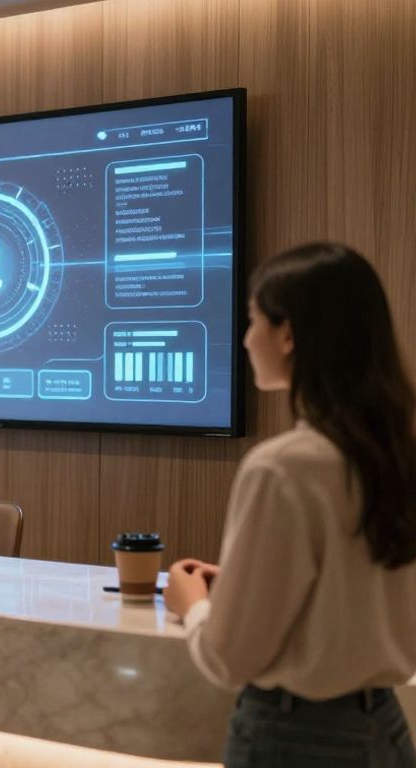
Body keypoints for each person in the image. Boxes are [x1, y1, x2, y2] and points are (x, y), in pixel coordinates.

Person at [164, 243, 416, 767]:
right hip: (387, 730)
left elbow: (226, 658)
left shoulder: (282, 467)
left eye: (253, 319)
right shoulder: (397, 452)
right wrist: (245, 583)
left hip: (294, 736)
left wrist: (194, 604)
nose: (244, 338)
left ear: (288, 333)